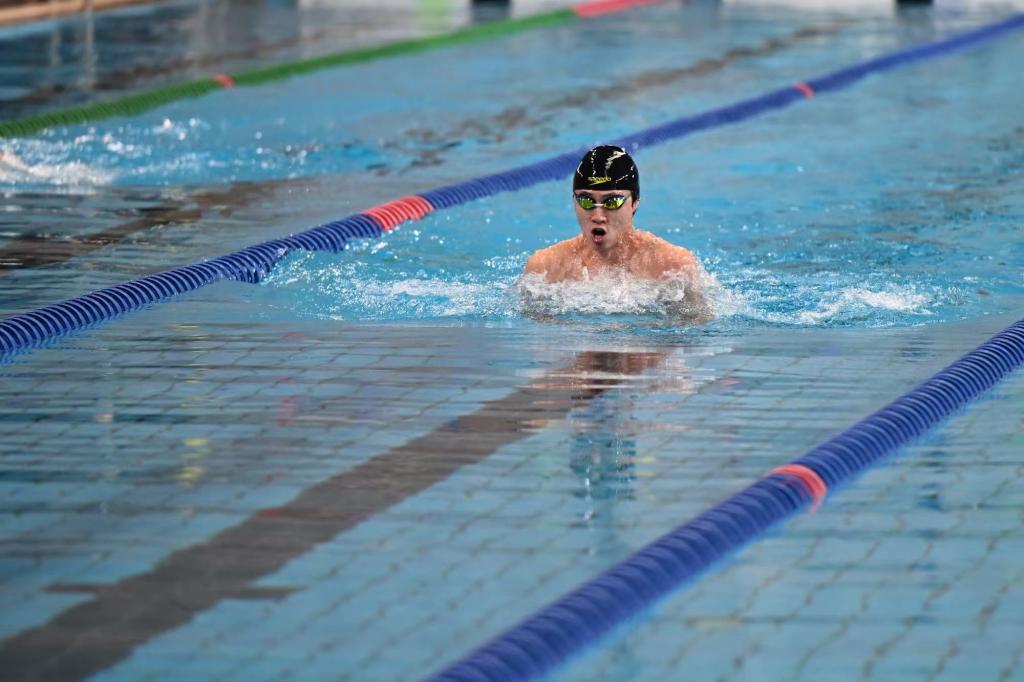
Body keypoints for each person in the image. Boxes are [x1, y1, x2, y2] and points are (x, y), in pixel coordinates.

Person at [523, 145, 705, 308]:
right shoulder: (544, 268)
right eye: (586, 201)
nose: (598, 216)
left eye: (612, 201)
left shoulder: (673, 267)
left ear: (635, 203)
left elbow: (698, 327)